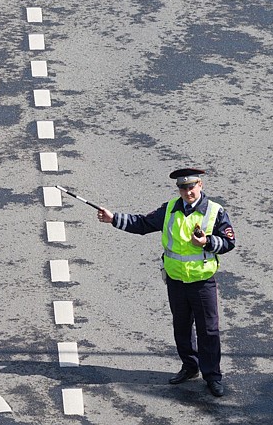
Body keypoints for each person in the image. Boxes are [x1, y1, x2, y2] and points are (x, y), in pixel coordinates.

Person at [96, 168, 235, 397]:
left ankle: (212, 376)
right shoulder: (170, 208)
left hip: (202, 282)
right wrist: (114, 219)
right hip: (176, 280)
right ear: (178, 189)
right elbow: (142, 224)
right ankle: (190, 367)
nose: (188, 192)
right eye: (183, 188)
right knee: (181, 327)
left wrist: (207, 242)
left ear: (200, 185)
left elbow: (229, 242)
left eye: (192, 187)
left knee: (208, 331)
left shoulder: (214, 211)